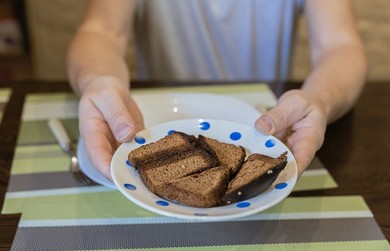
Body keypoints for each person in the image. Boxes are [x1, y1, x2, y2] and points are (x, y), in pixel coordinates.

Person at [67, 0, 367, 181]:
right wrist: (97, 79)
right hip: (152, 121)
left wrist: (319, 99)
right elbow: (100, 31)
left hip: (270, 125)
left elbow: (340, 46)